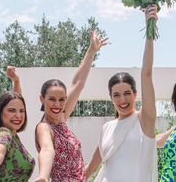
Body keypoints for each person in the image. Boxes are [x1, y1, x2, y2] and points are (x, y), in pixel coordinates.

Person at [8, 31, 108, 182]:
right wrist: (43, 175)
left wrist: (91, 50)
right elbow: (47, 149)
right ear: (42, 99)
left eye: (62, 99)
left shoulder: (62, 118)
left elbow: (78, 84)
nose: (57, 104)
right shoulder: (44, 127)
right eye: (52, 99)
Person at [85, 6, 158, 182]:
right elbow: (88, 170)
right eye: (116, 95)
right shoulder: (107, 128)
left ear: (135, 94)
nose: (122, 99)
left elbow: (146, 74)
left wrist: (150, 29)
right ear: (111, 98)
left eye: (127, 93)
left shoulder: (144, 119)